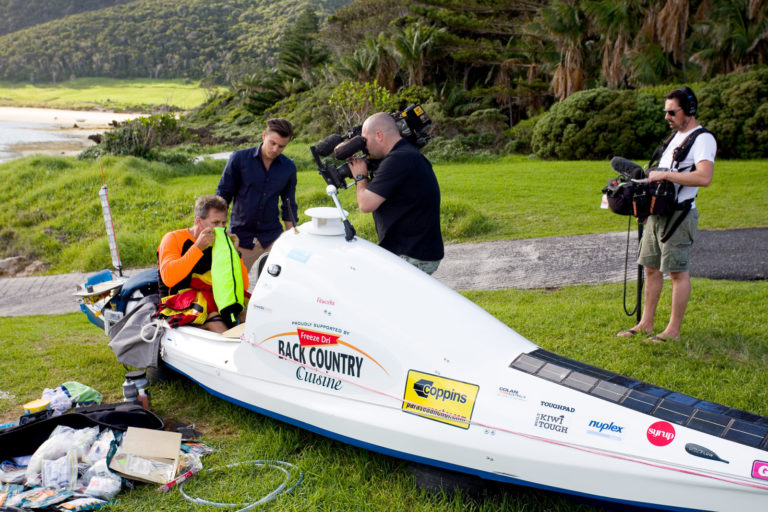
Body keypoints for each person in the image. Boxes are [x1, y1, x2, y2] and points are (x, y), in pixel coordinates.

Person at [617, 87, 716, 342]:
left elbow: (704, 177)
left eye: (672, 112)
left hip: (680, 215)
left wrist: (666, 175)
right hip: (657, 213)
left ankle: (672, 331)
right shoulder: (674, 138)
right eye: (666, 112)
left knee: (677, 273)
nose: (667, 117)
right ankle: (645, 324)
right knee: (650, 268)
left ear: (689, 111)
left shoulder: (703, 139)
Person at [347, 112, 444, 274]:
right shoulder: (404, 154)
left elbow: (366, 204)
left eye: (365, 140)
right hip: (415, 250)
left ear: (379, 135)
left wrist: (360, 176)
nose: (364, 146)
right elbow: (378, 193)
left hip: (412, 255)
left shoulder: (399, 159)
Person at [157, 195, 249, 333]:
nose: (221, 228)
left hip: (213, 297)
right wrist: (198, 247)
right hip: (178, 300)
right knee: (212, 316)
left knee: (246, 313)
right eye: (215, 223)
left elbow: (243, 286)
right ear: (199, 221)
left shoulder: (220, 243)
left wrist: (234, 254)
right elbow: (169, 278)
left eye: (224, 223)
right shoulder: (173, 238)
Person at [216, 118, 298, 271]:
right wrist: (220, 229)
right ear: (264, 136)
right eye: (272, 143)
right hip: (241, 237)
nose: (275, 149)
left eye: (281, 146)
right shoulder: (239, 159)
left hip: (273, 238)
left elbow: (289, 204)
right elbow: (223, 196)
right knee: (239, 286)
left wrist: (292, 236)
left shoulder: (289, 167)